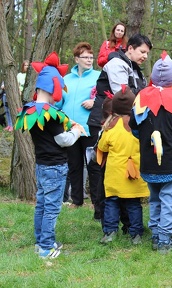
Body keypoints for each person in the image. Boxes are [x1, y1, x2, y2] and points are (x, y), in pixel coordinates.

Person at [15, 52, 85, 259]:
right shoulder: (51, 114)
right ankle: (46, 248)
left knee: (42, 204)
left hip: (42, 164)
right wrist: (77, 131)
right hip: (55, 167)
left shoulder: (31, 110)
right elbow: (63, 140)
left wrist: (67, 122)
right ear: (55, 86)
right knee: (52, 208)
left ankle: (41, 242)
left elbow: (50, 128)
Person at [129, 51, 172, 253]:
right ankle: (165, 237)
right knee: (169, 199)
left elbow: (134, 129)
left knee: (155, 197)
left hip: (149, 159)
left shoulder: (141, 99)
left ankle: (157, 234)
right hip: (171, 160)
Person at [98, 85, 149, 245]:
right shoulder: (139, 125)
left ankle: (110, 231)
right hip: (133, 173)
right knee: (133, 204)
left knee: (111, 203)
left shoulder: (110, 127)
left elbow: (102, 147)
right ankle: (136, 234)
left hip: (114, 174)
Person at [57, 42, 101, 211]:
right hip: (70, 129)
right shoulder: (66, 79)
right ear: (76, 59)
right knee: (74, 166)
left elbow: (106, 98)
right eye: (85, 57)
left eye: (91, 57)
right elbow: (60, 102)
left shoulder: (98, 76)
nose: (89, 60)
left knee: (93, 167)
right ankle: (77, 201)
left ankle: (98, 203)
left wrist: (94, 102)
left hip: (90, 128)